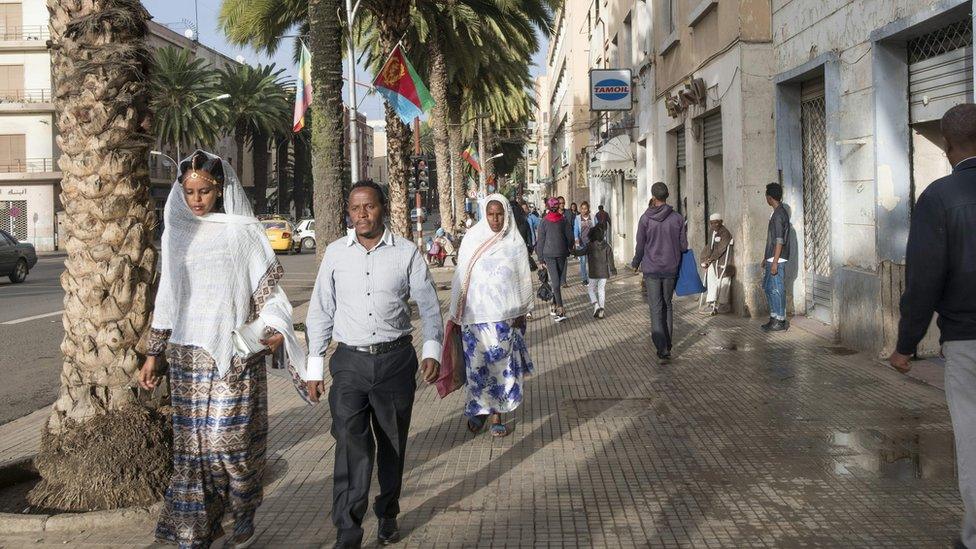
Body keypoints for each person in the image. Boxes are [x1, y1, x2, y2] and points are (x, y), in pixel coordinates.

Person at [140, 150, 308, 549]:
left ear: (220, 189)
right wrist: (152, 353)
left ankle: (244, 508)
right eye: (190, 191)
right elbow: (168, 297)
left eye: (205, 190)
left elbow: (269, 295)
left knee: (227, 444)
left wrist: (272, 328)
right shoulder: (176, 231)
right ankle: (199, 527)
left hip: (234, 355)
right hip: (185, 355)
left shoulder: (243, 232)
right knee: (193, 452)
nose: (196, 199)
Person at [304, 181, 443, 549]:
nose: (361, 214)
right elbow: (320, 310)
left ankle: (388, 513)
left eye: (368, 207)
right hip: (349, 363)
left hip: (396, 361)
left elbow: (429, 305)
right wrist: (314, 367)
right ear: (347, 212)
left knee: (392, 444)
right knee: (351, 446)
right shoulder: (335, 254)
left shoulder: (407, 253)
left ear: (383, 207)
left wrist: (432, 349)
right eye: (354, 208)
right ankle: (348, 531)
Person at [890, 103, 976, 549]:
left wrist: (906, 345)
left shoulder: (938, 198)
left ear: (946, 146)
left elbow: (924, 279)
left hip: (967, 343)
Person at [449, 195, 534, 438]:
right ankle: (479, 410)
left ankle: (497, 415)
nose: (495, 219)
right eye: (490, 214)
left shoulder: (515, 244)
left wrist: (521, 310)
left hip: (504, 319)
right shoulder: (472, 239)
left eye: (499, 214)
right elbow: (460, 275)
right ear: (484, 214)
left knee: (500, 369)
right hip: (474, 318)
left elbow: (522, 278)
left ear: (506, 214)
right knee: (477, 368)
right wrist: (455, 313)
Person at [631, 182, 687, 364]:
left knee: (655, 308)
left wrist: (635, 262)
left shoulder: (645, 219)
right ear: (667, 195)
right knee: (668, 305)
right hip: (671, 268)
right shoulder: (678, 218)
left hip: (652, 269)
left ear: (653, 197)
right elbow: (683, 246)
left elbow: (640, 245)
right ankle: (668, 345)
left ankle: (661, 347)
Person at [535, 197, 574, 323]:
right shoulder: (561, 220)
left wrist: (541, 259)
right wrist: (541, 259)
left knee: (557, 282)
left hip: (557, 254)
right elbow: (570, 238)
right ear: (557, 207)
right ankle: (560, 308)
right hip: (553, 255)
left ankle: (554, 303)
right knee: (556, 282)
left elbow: (540, 241)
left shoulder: (547, 222)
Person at [761, 183, 791, 332]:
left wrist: (774, 262)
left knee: (776, 289)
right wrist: (766, 257)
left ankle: (780, 319)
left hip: (777, 259)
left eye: (766, 196)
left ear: (770, 197)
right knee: (768, 288)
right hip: (772, 257)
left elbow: (779, 240)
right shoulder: (777, 212)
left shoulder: (779, 215)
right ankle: (773, 317)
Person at [572, 223, 616, 319]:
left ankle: (596, 305)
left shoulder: (590, 246)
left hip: (593, 272)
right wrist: (613, 270)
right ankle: (602, 309)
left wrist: (572, 251)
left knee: (591, 290)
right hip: (604, 273)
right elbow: (611, 259)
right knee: (601, 290)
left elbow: (581, 252)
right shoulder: (607, 246)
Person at [700, 213, 734, 314]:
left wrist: (709, 260)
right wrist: (704, 259)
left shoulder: (725, 233)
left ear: (721, 222)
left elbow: (720, 249)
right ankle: (711, 302)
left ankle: (723, 304)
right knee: (711, 279)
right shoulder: (712, 231)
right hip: (714, 261)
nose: (715, 225)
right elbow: (709, 247)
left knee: (724, 281)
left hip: (724, 261)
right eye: (712, 223)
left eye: (716, 223)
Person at [574, 201, 596, 286]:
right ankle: (584, 279)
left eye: (585, 208)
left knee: (592, 261)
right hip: (582, 243)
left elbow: (597, 228)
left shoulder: (593, 217)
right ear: (580, 209)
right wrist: (576, 238)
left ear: (588, 209)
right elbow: (575, 229)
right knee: (582, 262)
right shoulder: (577, 218)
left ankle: (592, 278)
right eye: (582, 208)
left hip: (591, 243)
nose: (583, 210)